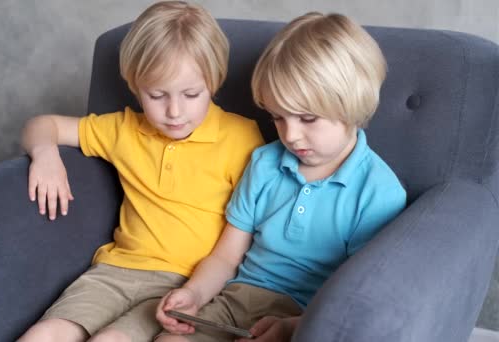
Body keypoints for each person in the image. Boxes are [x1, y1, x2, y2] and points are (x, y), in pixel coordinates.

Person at [17, 2, 264, 342]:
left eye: (191, 94)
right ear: (135, 86)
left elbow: (244, 235)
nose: (174, 112)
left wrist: (196, 291)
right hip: (112, 273)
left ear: (214, 82)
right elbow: (41, 125)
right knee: (42, 335)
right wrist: (46, 155)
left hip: (182, 283)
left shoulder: (242, 138)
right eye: (157, 95)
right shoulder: (124, 129)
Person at [155, 12, 407, 342]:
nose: (291, 136)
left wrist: (293, 325)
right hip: (236, 299)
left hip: (308, 315)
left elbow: (355, 295)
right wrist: (195, 294)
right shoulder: (265, 163)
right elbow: (226, 255)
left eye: (307, 118)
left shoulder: (378, 192)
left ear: (352, 105)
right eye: (278, 117)